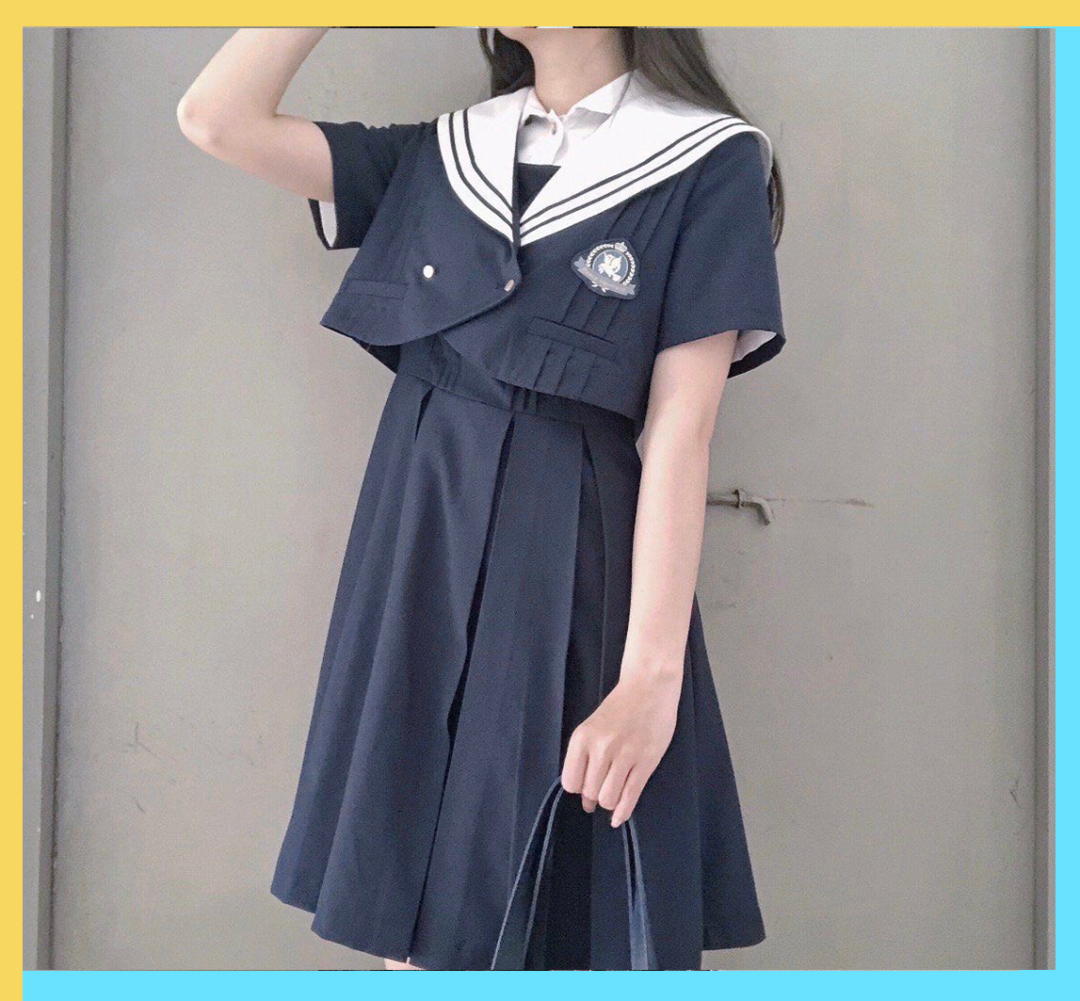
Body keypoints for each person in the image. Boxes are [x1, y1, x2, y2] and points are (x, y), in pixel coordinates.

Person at [179, 26, 785, 971]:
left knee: (548, 912)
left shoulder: (707, 157)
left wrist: (649, 679)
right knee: (410, 912)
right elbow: (216, 118)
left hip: (569, 559)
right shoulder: (448, 151)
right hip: (416, 539)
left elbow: (681, 429)